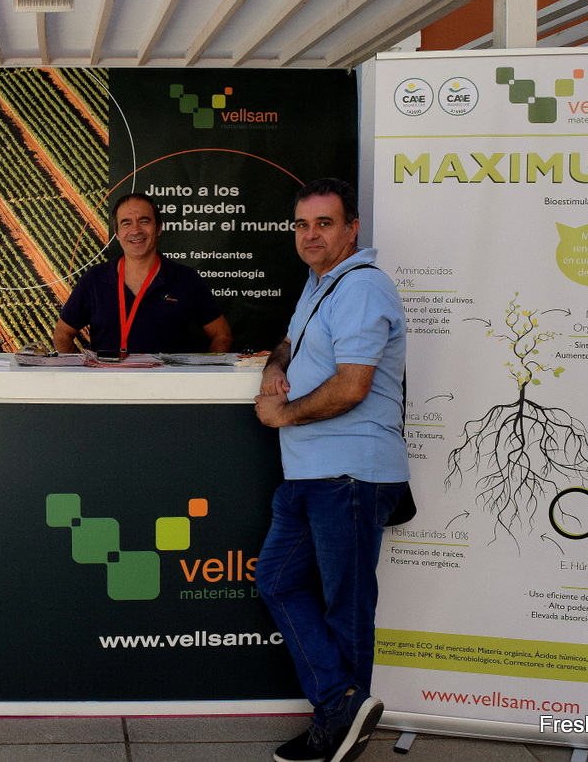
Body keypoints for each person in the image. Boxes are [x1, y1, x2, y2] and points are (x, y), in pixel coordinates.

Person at [253, 178, 408, 762]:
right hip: (311, 473)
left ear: (352, 228)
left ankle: (336, 729)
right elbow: (289, 342)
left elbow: (351, 386)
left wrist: (282, 413)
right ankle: (341, 704)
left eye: (324, 223)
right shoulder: (322, 283)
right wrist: (274, 367)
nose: (310, 235)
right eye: (302, 225)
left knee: (347, 605)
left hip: (349, 473)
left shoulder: (361, 287)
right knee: (277, 580)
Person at [51, 192, 232, 355]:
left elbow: (222, 336)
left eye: (144, 221)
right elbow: (62, 334)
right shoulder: (95, 278)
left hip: (168, 381)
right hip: (108, 381)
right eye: (126, 223)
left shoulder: (186, 279)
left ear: (159, 228)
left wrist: (205, 375)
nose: (136, 230)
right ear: (117, 233)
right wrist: (82, 373)